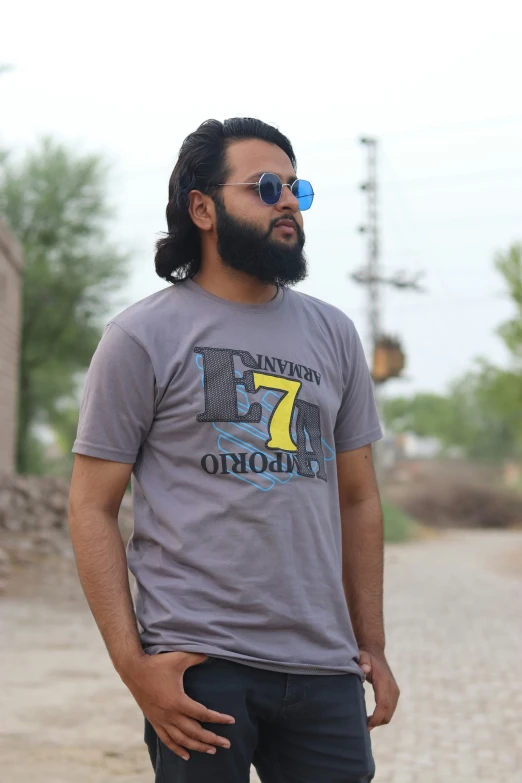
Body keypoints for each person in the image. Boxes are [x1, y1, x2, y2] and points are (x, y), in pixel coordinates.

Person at [69, 117, 400, 783]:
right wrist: (134, 667)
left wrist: (372, 645)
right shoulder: (141, 336)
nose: (287, 201)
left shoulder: (334, 334)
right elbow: (89, 506)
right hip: (200, 667)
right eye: (266, 186)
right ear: (203, 207)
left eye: (296, 189)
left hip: (323, 667)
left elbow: (359, 499)